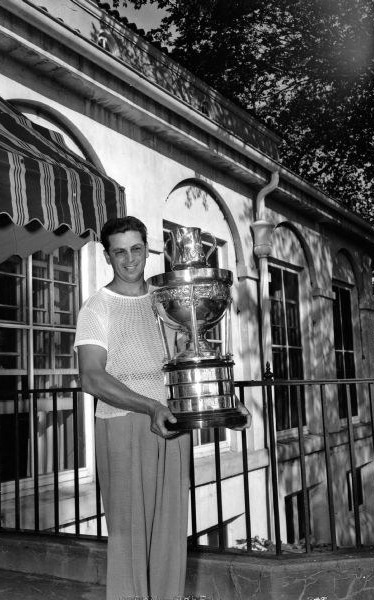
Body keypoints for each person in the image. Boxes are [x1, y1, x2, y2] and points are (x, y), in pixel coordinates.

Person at [74, 216, 250, 600]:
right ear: (107, 256)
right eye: (119, 252)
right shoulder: (97, 307)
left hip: (172, 424)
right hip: (124, 424)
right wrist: (149, 406)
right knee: (130, 536)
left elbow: (189, 362)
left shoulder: (166, 302)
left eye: (136, 249)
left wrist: (224, 404)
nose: (130, 259)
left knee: (171, 533)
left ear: (147, 250)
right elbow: (91, 377)